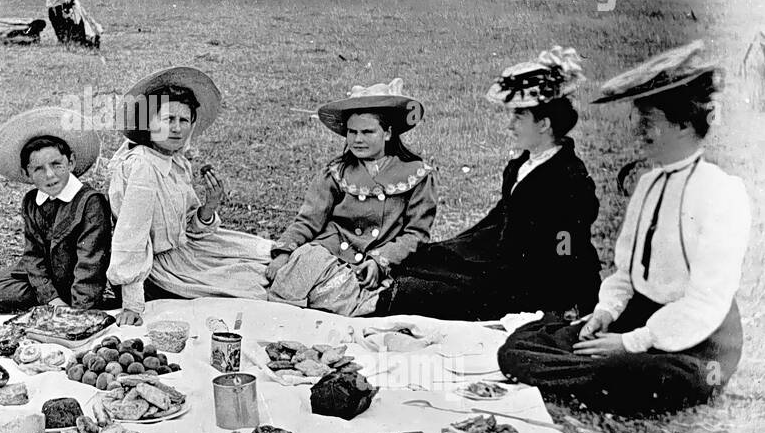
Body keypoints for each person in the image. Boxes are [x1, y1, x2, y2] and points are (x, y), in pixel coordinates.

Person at [498, 41, 750, 416]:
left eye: (649, 121)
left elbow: (706, 303)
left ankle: (605, 372)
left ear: (683, 125)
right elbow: (626, 275)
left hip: (699, 342)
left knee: (643, 373)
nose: (638, 131)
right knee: (517, 350)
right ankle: (593, 367)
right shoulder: (648, 185)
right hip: (639, 317)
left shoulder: (722, 192)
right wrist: (605, 314)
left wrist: (632, 342)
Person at [376, 46, 600, 319]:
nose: (510, 125)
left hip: (535, 285)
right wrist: (455, 249)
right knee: (423, 260)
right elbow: (500, 220)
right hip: (503, 263)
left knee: (418, 292)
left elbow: (566, 247)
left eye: (519, 116)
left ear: (544, 124)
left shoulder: (569, 181)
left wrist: (566, 303)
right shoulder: (522, 165)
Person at [106, 66, 271, 326]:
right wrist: (132, 304)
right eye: (168, 119)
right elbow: (131, 236)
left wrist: (209, 207)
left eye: (184, 121)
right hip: (157, 271)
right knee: (252, 286)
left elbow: (187, 227)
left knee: (264, 256)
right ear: (149, 122)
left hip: (186, 251)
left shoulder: (176, 162)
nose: (176, 129)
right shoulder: (142, 167)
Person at [266, 79, 437, 316]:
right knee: (289, 296)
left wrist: (381, 261)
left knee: (373, 305)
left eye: (367, 132)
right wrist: (284, 252)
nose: (357, 139)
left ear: (387, 133)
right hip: (328, 254)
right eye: (352, 132)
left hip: (373, 266)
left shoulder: (416, 175)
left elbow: (416, 233)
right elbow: (308, 220)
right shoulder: (337, 172)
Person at [0, 106, 113, 312]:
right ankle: (37, 288)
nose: (49, 175)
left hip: (71, 279)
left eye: (56, 164)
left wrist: (77, 310)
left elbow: (90, 264)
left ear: (71, 162)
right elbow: (33, 254)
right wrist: (49, 296)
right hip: (45, 271)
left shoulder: (90, 202)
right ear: (27, 173)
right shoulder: (32, 201)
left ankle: (45, 293)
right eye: (38, 169)